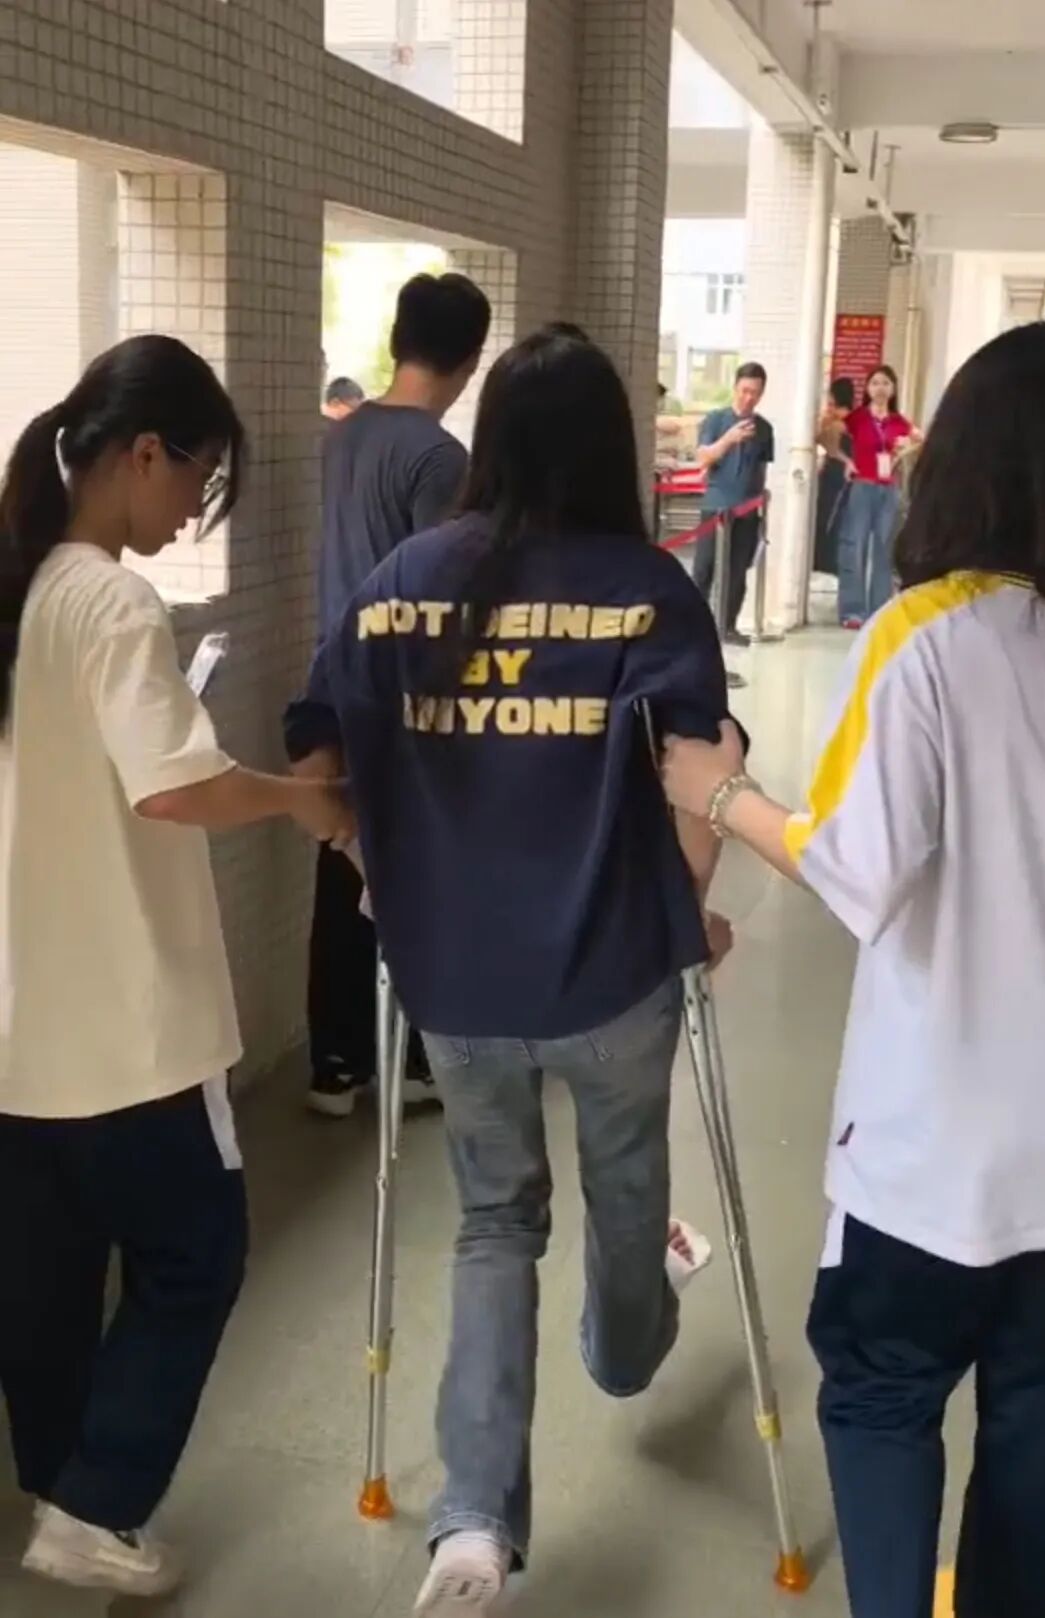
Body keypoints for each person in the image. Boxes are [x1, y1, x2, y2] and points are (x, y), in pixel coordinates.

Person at [285, 327, 738, 1617]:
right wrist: (688, 910)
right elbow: (699, 774)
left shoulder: (401, 584)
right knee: (624, 1188)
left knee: (493, 1223)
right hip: (612, 975)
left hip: (456, 989)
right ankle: (625, 1351)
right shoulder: (649, 590)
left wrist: (373, 862)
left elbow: (316, 757)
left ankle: (473, 1531)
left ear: (489, 440)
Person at [660, 319, 1045, 1618]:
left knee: (885, 1392)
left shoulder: (927, 633)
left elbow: (856, 865)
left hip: (933, 1148)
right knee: (1042, 1424)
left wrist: (718, 792)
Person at [0, 335, 350, 1599]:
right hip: (129, 1023)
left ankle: (62, 1488)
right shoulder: (110, 600)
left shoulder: (22, 585)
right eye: (198, 478)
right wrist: (300, 800)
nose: (194, 509)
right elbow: (172, 785)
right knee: (197, 1251)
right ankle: (94, 1504)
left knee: (44, 1277)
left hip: (22, 1017)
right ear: (143, 452)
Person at [305, 271, 492, 1118]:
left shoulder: (343, 436)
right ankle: (412, 1060)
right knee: (414, 875)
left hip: (333, 684)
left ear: (395, 340)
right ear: (470, 358)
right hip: (405, 693)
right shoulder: (439, 458)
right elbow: (438, 590)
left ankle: (335, 1065)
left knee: (340, 863)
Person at [693, 361, 773, 644]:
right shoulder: (716, 420)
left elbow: (762, 467)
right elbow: (703, 457)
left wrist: (761, 499)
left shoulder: (764, 429)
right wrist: (728, 439)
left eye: (755, 392)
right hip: (716, 506)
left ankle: (727, 625)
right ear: (735, 387)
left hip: (747, 509)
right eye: (744, 390)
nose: (748, 397)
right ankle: (694, 625)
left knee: (738, 570)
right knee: (704, 568)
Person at [836, 364, 920, 629]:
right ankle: (852, 611)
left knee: (884, 549)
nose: (880, 388)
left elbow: (923, 440)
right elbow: (825, 434)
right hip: (862, 486)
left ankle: (879, 610)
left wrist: (904, 451)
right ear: (868, 389)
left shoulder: (899, 422)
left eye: (885, 383)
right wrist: (845, 460)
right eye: (875, 383)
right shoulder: (857, 418)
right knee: (855, 547)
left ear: (893, 389)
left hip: (889, 489)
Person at [814, 376, 855, 578]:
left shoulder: (837, 423)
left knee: (825, 516)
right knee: (838, 518)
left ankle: (823, 560)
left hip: (834, 474)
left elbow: (820, 439)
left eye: (831, 402)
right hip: (845, 476)